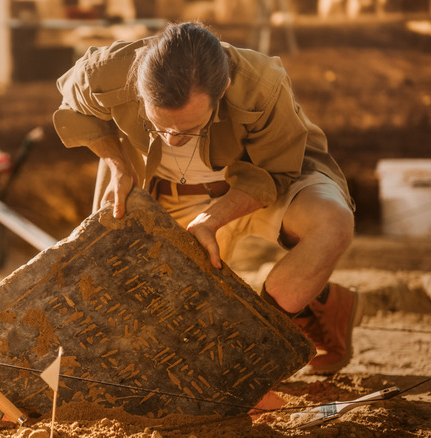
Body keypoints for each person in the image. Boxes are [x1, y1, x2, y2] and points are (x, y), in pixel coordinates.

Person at [52, 21, 361, 374]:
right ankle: (320, 303)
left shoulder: (263, 82)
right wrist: (118, 164)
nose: (170, 139)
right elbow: (74, 105)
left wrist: (212, 220)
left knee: (333, 224)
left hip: (260, 180)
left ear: (223, 89)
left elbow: (276, 171)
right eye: (159, 126)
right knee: (140, 314)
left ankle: (256, 361)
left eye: (187, 129)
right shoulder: (108, 70)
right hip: (165, 193)